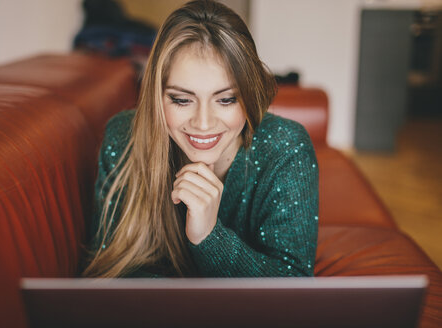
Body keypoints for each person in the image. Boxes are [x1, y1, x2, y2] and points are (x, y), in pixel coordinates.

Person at [83, 0, 318, 278]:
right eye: (182, 100)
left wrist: (209, 237)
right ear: (156, 97)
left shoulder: (286, 147)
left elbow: (293, 288)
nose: (203, 123)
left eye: (226, 99)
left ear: (250, 94)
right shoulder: (123, 140)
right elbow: (111, 273)